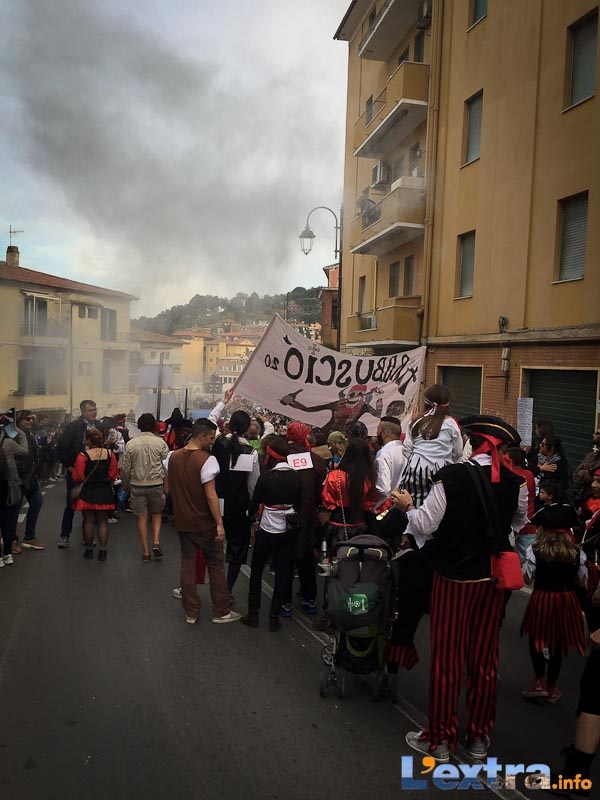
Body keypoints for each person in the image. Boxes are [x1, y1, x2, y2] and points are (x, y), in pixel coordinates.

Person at [394, 415, 528, 763]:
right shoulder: (517, 482)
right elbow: (518, 522)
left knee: (448, 660)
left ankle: (440, 739)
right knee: (485, 659)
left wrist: (407, 506)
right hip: (492, 581)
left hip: (453, 579)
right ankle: (479, 736)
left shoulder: (451, 476)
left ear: (472, 442)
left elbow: (425, 523)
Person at [166, 418, 240, 625]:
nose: (212, 442)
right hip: (204, 521)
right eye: (210, 438)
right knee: (215, 565)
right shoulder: (208, 460)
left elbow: (168, 488)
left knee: (187, 565)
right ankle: (220, 610)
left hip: (183, 521)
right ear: (201, 436)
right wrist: (219, 523)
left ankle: (191, 611)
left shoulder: (172, 457)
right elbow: (210, 495)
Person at [521, 504, 587, 704]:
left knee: (537, 638)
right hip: (566, 599)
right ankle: (551, 687)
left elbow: (527, 579)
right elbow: (581, 582)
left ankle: (539, 681)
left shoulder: (535, 551)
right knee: (558, 642)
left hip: (542, 597)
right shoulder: (577, 553)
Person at [241, 437, 302, 632]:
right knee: (283, 573)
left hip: (266, 529)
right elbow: (299, 504)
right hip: (287, 531)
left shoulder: (266, 478)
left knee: (257, 570)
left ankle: (253, 614)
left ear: (271, 456)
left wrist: (248, 515)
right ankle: (274, 618)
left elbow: (254, 505)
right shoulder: (297, 477)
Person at [281, 421, 327, 616]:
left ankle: (284, 602)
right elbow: (321, 494)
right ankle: (310, 599)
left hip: (283, 517)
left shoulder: (280, 457)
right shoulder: (316, 461)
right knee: (306, 558)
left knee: (286, 560)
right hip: (307, 518)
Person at [212, 409, 260, 596]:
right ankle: (227, 590)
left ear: (229, 425)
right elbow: (253, 485)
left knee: (211, 545)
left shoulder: (218, 444)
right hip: (239, 506)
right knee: (237, 549)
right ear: (247, 428)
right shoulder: (250, 452)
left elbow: (209, 420)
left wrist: (223, 403)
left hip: (216, 502)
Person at [401, 384, 463, 508]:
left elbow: (407, 449)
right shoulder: (451, 424)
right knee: (439, 507)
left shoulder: (415, 422)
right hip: (442, 472)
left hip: (415, 469)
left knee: (411, 504)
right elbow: (458, 453)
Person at [120, 413, 169, 562]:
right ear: (154, 426)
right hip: (156, 483)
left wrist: (126, 484)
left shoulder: (131, 444)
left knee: (141, 516)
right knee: (157, 513)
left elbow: (125, 468)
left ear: (139, 426)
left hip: (137, 484)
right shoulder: (160, 443)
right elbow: (165, 464)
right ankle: (156, 542)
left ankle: (146, 552)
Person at [72, 427, 119, 561]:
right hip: (104, 490)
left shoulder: (82, 456)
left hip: (88, 491)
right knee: (103, 521)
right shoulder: (110, 454)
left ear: (88, 440)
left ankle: (88, 550)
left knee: (88, 521)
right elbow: (113, 474)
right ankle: (103, 551)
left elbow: (78, 477)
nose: (83, 441)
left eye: (84, 438)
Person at [57, 400, 98, 548]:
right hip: (76, 471)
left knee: (90, 506)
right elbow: (61, 448)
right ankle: (64, 535)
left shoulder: (99, 426)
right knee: (71, 504)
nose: (94, 412)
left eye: (95, 409)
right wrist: (69, 466)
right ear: (83, 412)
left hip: (93, 472)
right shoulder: (74, 427)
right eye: (90, 410)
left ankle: (88, 536)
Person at [13, 410, 45, 550]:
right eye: (27, 418)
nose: (31, 420)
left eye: (32, 418)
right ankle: (11, 539)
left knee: (37, 502)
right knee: (14, 509)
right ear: (19, 420)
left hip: (30, 476)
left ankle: (29, 537)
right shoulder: (13, 435)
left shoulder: (29, 434)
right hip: (16, 477)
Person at [0, 418, 28, 565]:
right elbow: (25, 451)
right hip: (9, 487)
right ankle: (8, 554)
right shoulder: (8, 443)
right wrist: (20, 433)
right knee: (9, 521)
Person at [505, 446, 537, 560]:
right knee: (528, 559)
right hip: (528, 523)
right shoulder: (529, 475)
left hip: (510, 525)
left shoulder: (507, 475)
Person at [374, 416, 405, 511]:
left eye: (378, 430)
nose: (376, 433)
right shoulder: (407, 451)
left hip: (385, 508)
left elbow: (383, 488)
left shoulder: (384, 454)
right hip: (404, 505)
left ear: (384, 433)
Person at [535, 434, 570, 499]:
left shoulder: (559, 464)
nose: (540, 445)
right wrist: (540, 468)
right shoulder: (538, 457)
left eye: (543, 444)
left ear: (551, 448)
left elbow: (563, 484)